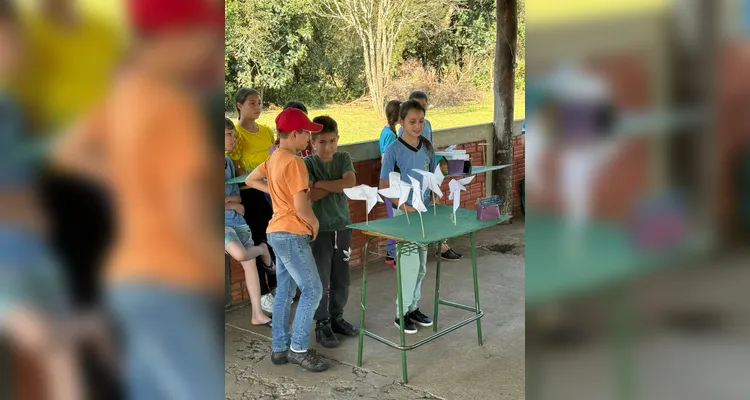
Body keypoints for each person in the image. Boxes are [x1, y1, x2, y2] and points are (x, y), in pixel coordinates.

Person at [53, 0, 225, 398]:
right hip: (173, 276)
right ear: (170, 36)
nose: (204, 48)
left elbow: (67, 150)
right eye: (201, 36)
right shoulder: (173, 106)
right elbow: (188, 210)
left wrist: (128, 182)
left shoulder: (122, 93)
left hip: (126, 277)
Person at [246, 107, 329, 372]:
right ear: (294, 134)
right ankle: (299, 349)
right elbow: (302, 205)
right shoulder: (295, 163)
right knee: (313, 290)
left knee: (285, 290)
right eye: (306, 134)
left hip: (277, 232)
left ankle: (280, 348)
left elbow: (251, 179)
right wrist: (314, 222)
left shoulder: (274, 159)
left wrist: (273, 191)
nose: (309, 139)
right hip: (292, 233)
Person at [379, 100, 435, 334]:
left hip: (423, 213)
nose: (417, 126)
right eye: (412, 121)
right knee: (408, 266)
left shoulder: (427, 147)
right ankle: (400, 313)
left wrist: (431, 202)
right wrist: (404, 206)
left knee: (421, 265)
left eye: (421, 121)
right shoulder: (393, 149)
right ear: (401, 122)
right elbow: (383, 186)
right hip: (405, 214)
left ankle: (413, 308)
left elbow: (432, 178)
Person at [303, 116, 359, 348]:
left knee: (342, 278)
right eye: (322, 142)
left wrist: (319, 184)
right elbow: (310, 195)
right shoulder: (307, 164)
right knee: (321, 279)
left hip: (342, 226)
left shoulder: (343, 157)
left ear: (338, 140)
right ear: (312, 142)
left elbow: (351, 182)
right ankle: (322, 322)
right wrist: (334, 184)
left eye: (332, 141)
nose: (328, 147)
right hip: (320, 230)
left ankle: (337, 317)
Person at [227, 87, 277, 313]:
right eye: (252, 103)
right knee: (256, 240)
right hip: (249, 192)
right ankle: (264, 294)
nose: (257, 107)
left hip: (270, 190)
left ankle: (276, 285)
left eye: (259, 103)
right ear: (239, 105)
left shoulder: (266, 130)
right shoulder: (235, 135)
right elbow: (236, 168)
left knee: (274, 236)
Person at [399, 91, 463, 261]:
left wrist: (435, 183)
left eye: (423, 105)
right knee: (414, 223)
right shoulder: (403, 130)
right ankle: (420, 251)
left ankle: (441, 245)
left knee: (434, 214)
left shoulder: (427, 125)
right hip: (411, 184)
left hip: (428, 178)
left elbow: (430, 151)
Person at [379, 100, 402, 266]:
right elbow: (386, 159)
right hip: (392, 184)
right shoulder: (390, 135)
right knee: (395, 219)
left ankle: (390, 253)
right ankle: (394, 255)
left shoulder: (387, 131)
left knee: (393, 218)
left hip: (392, 182)